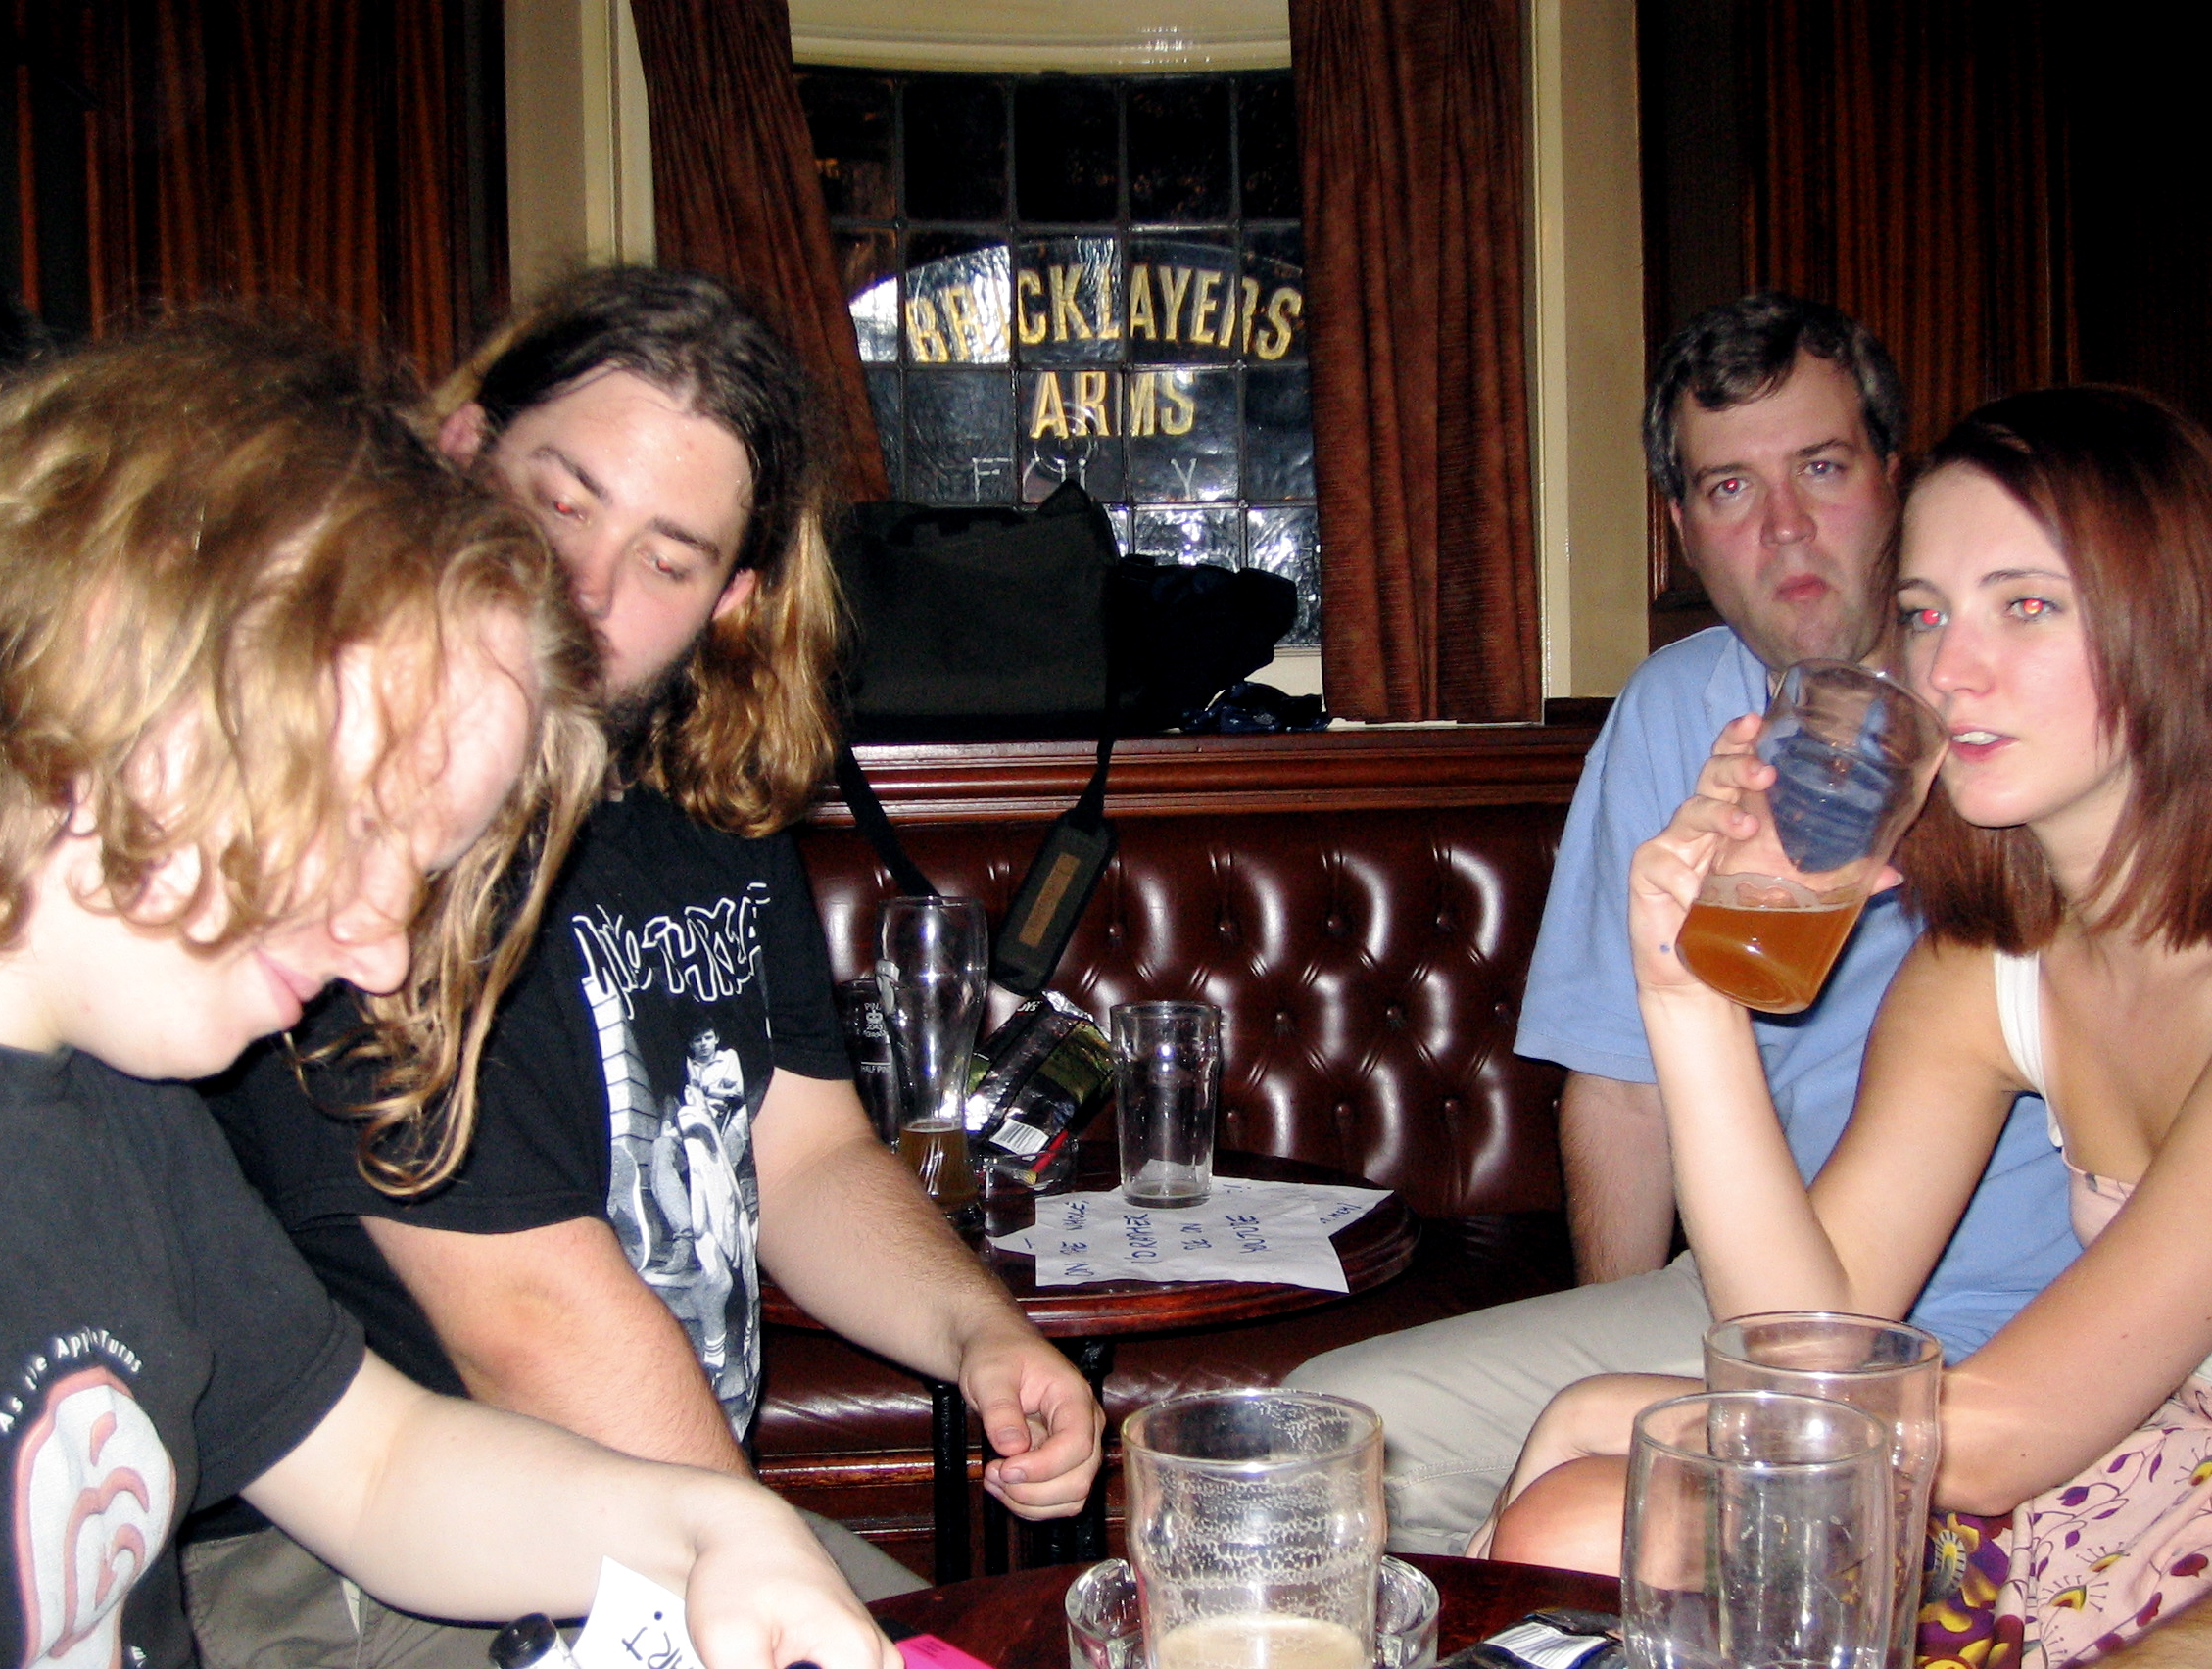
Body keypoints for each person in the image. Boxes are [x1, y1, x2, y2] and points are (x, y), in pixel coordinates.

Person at [190, 268, 1105, 1657]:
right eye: (557, 503)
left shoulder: (708, 818)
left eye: (669, 559)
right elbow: (528, 1319)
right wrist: (754, 1563)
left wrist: (982, 1334)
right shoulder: (362, 827)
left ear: (732, 601)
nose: (587, 587)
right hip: (362, 1572)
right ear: (457, 455)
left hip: (659, 1530)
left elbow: (805, 1162)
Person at [0, 316, 890, 1669]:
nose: (389, 953)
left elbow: (377, 1467)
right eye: (365, 826)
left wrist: (710, 1535)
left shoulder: (125, 1118)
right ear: (141, 650)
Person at [1289, 294, 2075, 1551]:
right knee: (1321, 1434)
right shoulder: (1677, 714)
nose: (1784, 528)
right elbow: (1622, 1086)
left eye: (1821, 468)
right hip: (1767, 1295)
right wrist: (1627, 1330)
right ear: (1681, 533)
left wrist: (1621, 1411)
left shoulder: (2026, 746)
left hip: (2017, 1326)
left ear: (1896, 478)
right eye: (1727, 490)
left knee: (1585, 1497)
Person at [1490, 384, 2212, 1667]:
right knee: (1580, 1515)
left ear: (2174, 612)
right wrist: (1686, 985)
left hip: (2138, 1508)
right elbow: (1808, 1340)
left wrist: (1623, 1410)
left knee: (1609, 1461)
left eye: (2026, 605)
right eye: (1925, 613)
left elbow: (1994, 1439)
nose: (1948, 666)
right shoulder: (1986, 973)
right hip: (2113, 1491)